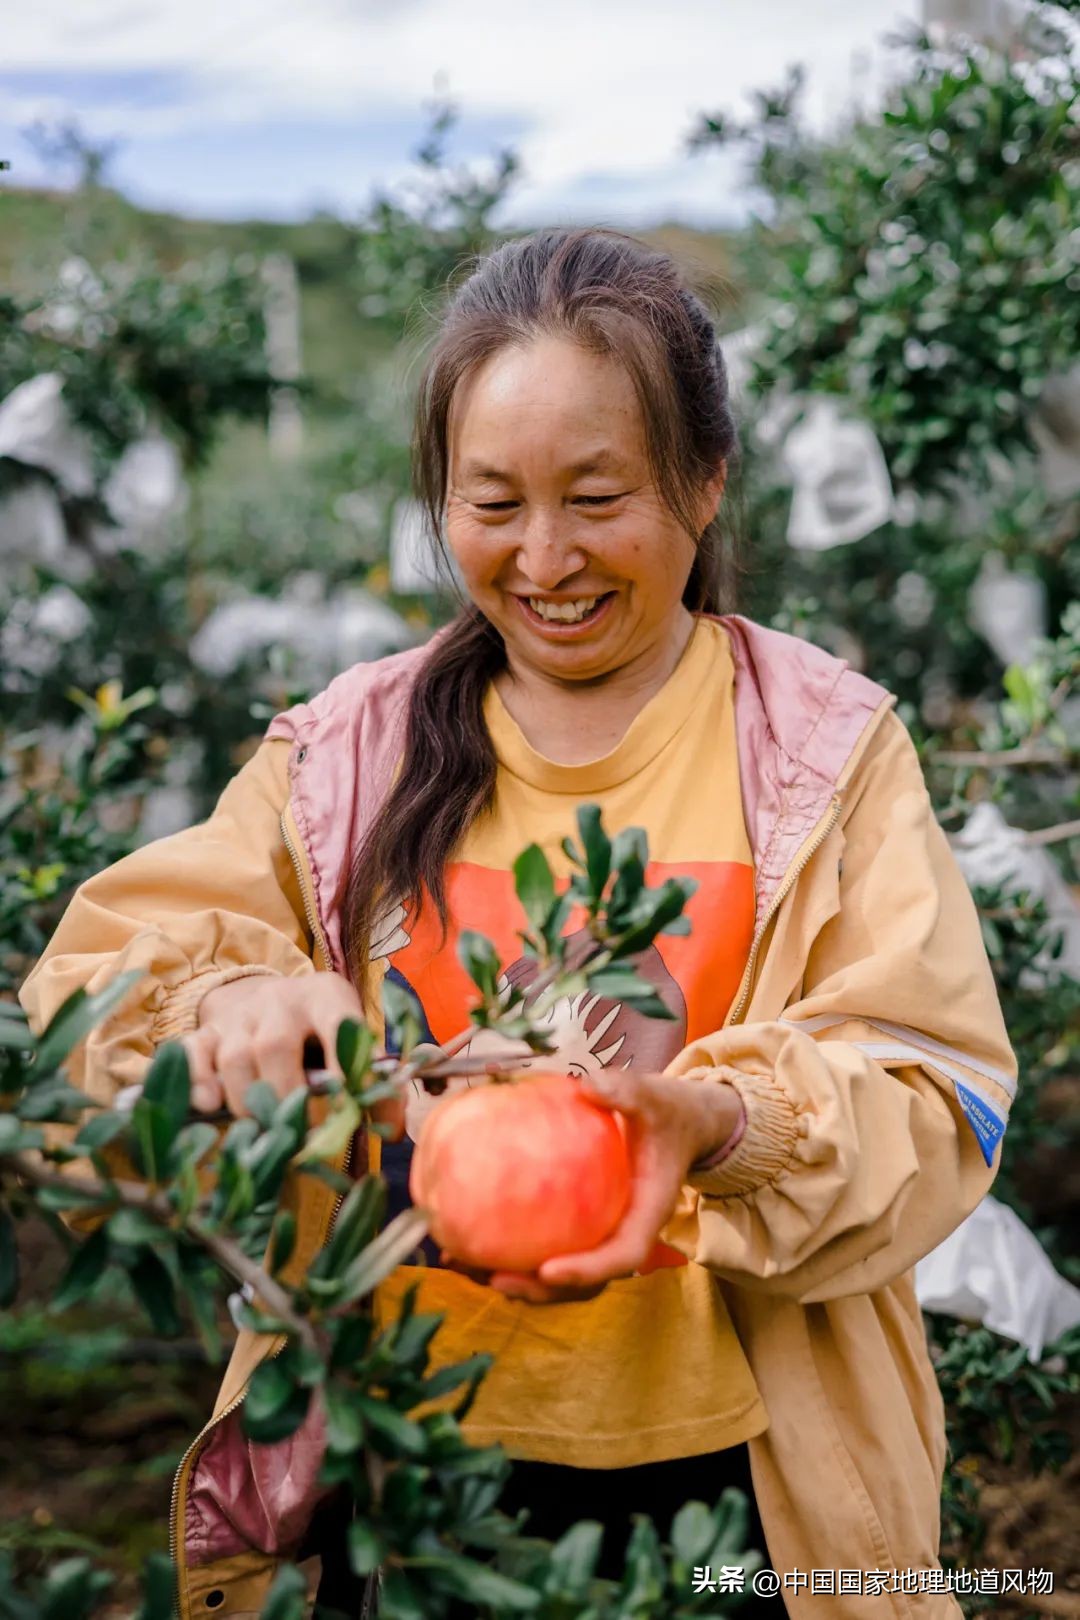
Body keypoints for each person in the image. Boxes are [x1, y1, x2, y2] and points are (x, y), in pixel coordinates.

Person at [19, 227, 1017, 1620]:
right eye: (491, 503)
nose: (544, 557)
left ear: (707, 481)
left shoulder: (824, 755)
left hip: (746, 1500)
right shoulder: (348, 755)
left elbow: (941, 1090)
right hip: (405, 1467)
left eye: (598, 496)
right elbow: (104, 976)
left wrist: (715, 1126)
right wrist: (227, 1007)